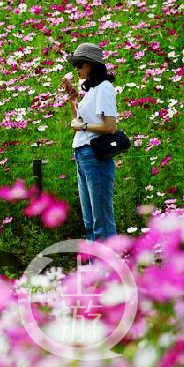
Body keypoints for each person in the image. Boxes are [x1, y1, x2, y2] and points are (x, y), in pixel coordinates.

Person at [61, 43, 119, 242]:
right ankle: (96, 270)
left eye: (79, 64)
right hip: (83, 155)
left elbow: (110, 127)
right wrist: (73, 102)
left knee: (101, 218)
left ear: (91, 65)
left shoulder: (104, 88)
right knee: (90, 220)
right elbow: (79, 122)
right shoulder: (93, 90)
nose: (76, 68)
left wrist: (84, 127)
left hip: (95, 156)